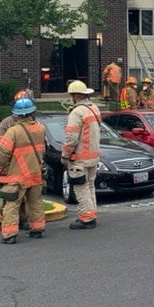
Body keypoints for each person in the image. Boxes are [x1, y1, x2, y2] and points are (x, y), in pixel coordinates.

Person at [0, 97, 46, 244]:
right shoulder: (41, 129)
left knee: (11, 205)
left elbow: (2, 154)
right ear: (31, 112)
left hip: (17, 176)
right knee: (35, 202)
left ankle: (9, 234)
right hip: (35, 174)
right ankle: (37, 229)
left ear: (17, 114)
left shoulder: (12, 131)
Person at [62, 80, 101, 230]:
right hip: (93, 157)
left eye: (72, 94)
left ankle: (87, 218)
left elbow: (71, 138)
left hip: (80, 158)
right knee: (90, 185)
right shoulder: (94, 108)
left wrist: (65, 155)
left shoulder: (77, 112)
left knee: (81, 187)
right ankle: (92, 213)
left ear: (75, 95)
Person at [0, 88, 34, 227]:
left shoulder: (34, 123)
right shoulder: (7, 123)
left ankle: (22, 219)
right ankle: (2, 219)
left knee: (24, 196)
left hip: (27, 165)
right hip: (11, 165)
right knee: (10, 195)